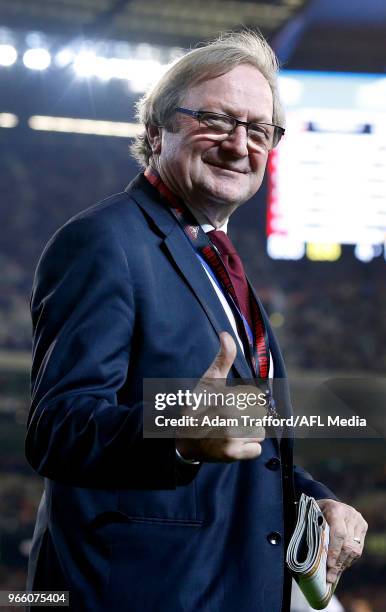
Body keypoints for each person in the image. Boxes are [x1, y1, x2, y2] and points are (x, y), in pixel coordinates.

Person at [26, 31, 367, 611]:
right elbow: (56, 426)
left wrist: (316, 499)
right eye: (216, 119)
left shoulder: (216, 259)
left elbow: (239, 443)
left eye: (260, 130)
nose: (240, 145)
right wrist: (178, 434)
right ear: (156, 132)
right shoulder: (104, 240)